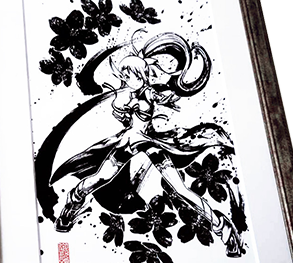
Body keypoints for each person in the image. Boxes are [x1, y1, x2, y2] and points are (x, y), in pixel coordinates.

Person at [53, 31, 239, 245]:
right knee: (101, 177)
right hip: (129, 142)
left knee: (180, 189)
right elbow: (124, 106)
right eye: (156, 64)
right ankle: (72, 203)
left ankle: (222, 226)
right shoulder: (135, 86)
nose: (157, 72)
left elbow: (154, 110)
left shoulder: (155, 94)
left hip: (150, 145)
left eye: (167, 71)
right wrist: (124, 105)